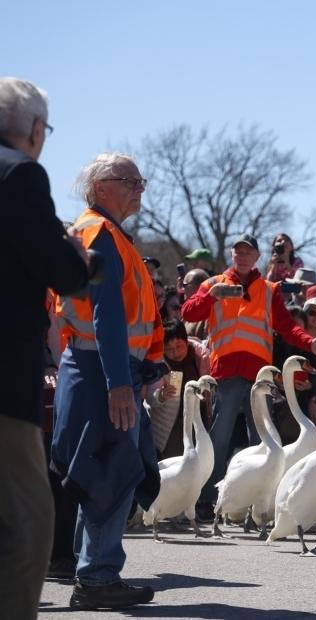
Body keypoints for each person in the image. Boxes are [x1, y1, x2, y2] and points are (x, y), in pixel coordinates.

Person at [52, 152, 163, 610]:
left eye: (141, 180)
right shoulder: (99, 233)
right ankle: (97, 577)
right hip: (102, 370)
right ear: (101, 188)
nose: (140, 187)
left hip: (100, 367)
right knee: (110, 473)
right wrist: (120, 381)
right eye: (130, 180)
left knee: (100, 472)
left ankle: (93, 573)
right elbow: (106, 313)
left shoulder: (104, 233)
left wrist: (140, 370)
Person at [0, 77, 89, 619]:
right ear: (35, 130)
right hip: (4, 386)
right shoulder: (20, 174)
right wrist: (76, 257)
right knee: (31, 521)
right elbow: (60, 272)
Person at [180, 233, 316, 516]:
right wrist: (211, 296)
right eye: (238, 251)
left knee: (263, 441)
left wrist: (310, 343)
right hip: (226, 374)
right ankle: (207, 501)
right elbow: (188, 313)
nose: (242, 256)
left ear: (257, 257)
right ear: (232, 255)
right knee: (218, 439)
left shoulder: (269, 289)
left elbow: (286, 327)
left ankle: (258, 505)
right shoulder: (213, 284)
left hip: (260, 378)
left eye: (247, 252)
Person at [144, 320, 210, 459]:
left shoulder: (201, 358)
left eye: (179, 346)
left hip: (198, 421)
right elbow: (150, 397)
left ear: (186, 342)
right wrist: (161, 396)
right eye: (169, 349)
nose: (176, 352)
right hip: (171, 428)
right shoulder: (159, 365)